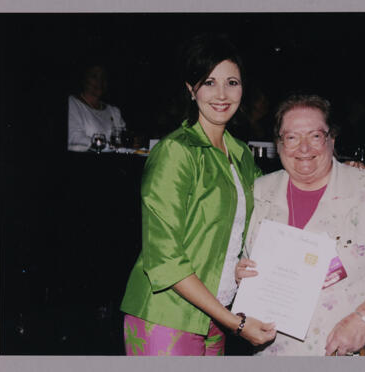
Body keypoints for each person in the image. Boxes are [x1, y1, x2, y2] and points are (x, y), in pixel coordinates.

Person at [119, 34, 277, 356]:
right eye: (209, 82)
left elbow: (271, 201)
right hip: (165, 316)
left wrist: (343, 172)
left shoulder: (242, 156)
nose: (222, 94)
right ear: (191, 90)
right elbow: (164, 260)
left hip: (215, 317)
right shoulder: (176, 152)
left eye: (231, 82)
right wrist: (236, 324)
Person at [236, 94, 365, 356]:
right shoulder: (259, 192)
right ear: (278, 144)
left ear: (331, 139)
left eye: (315, 136)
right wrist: (241, 274)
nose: (304, 148)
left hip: (353, 351)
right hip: (275, 351)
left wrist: (364, 319)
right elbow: (244, 263)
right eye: (291, 137)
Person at [67, 63, 126, 151]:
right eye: (94, 76)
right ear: (84, 79)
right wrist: (107, 146)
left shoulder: (114, 111)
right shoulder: (72, 103)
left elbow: (123, 138)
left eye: (103, 77)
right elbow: (74, 137)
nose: (100, 81)